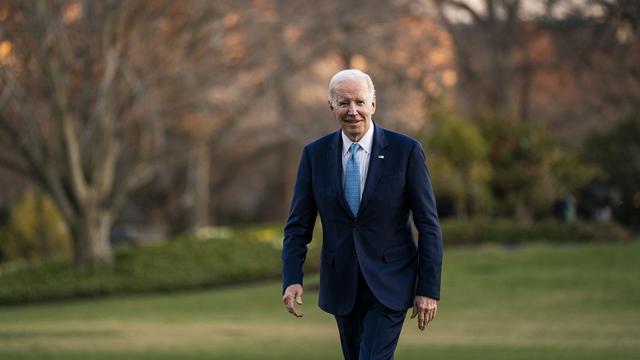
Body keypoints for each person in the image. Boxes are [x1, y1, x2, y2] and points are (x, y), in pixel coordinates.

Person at [281, 69, 443, 360]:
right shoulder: (314, 155)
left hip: (391, 282)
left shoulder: (406, 152)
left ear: (373, 104)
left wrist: (428, 289)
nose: (352, 111)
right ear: (331, 107)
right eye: (343, 103)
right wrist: (292, 279)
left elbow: (428, 226)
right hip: (342, 283)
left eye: (359, 102)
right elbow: (297, 227)